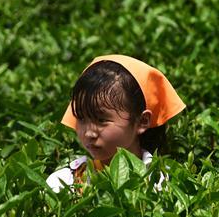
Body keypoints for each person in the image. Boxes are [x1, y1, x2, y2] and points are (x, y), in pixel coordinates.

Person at [46, 55, 185, 192]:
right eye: (81, 117)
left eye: (101, 120)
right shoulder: (62, 183)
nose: (89, 133)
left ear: (142, 121)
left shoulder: (163, 183)